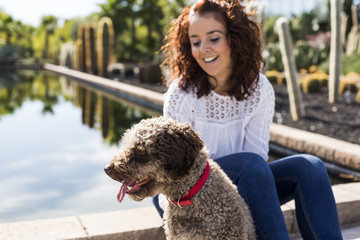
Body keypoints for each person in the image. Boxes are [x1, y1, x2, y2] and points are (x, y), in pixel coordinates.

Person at [153, 0, 343, 239]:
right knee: (250, 166)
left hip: (247, 181)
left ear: (234, 38)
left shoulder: (259, 89)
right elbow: (176, 174)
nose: (204, 49)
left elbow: (257, 160)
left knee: (310, 167)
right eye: (195, 42)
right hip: (187, 194)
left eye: (214, 38)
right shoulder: (182, 95)